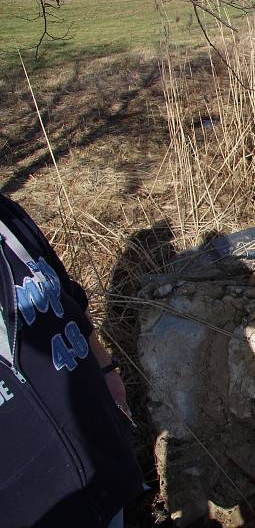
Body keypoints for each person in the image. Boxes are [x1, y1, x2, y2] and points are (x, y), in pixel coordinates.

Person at [0, 193, 143, 526]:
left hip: (99, 462)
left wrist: (107, 370)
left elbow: (68, 298)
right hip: (29, 499)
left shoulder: (7, 215)